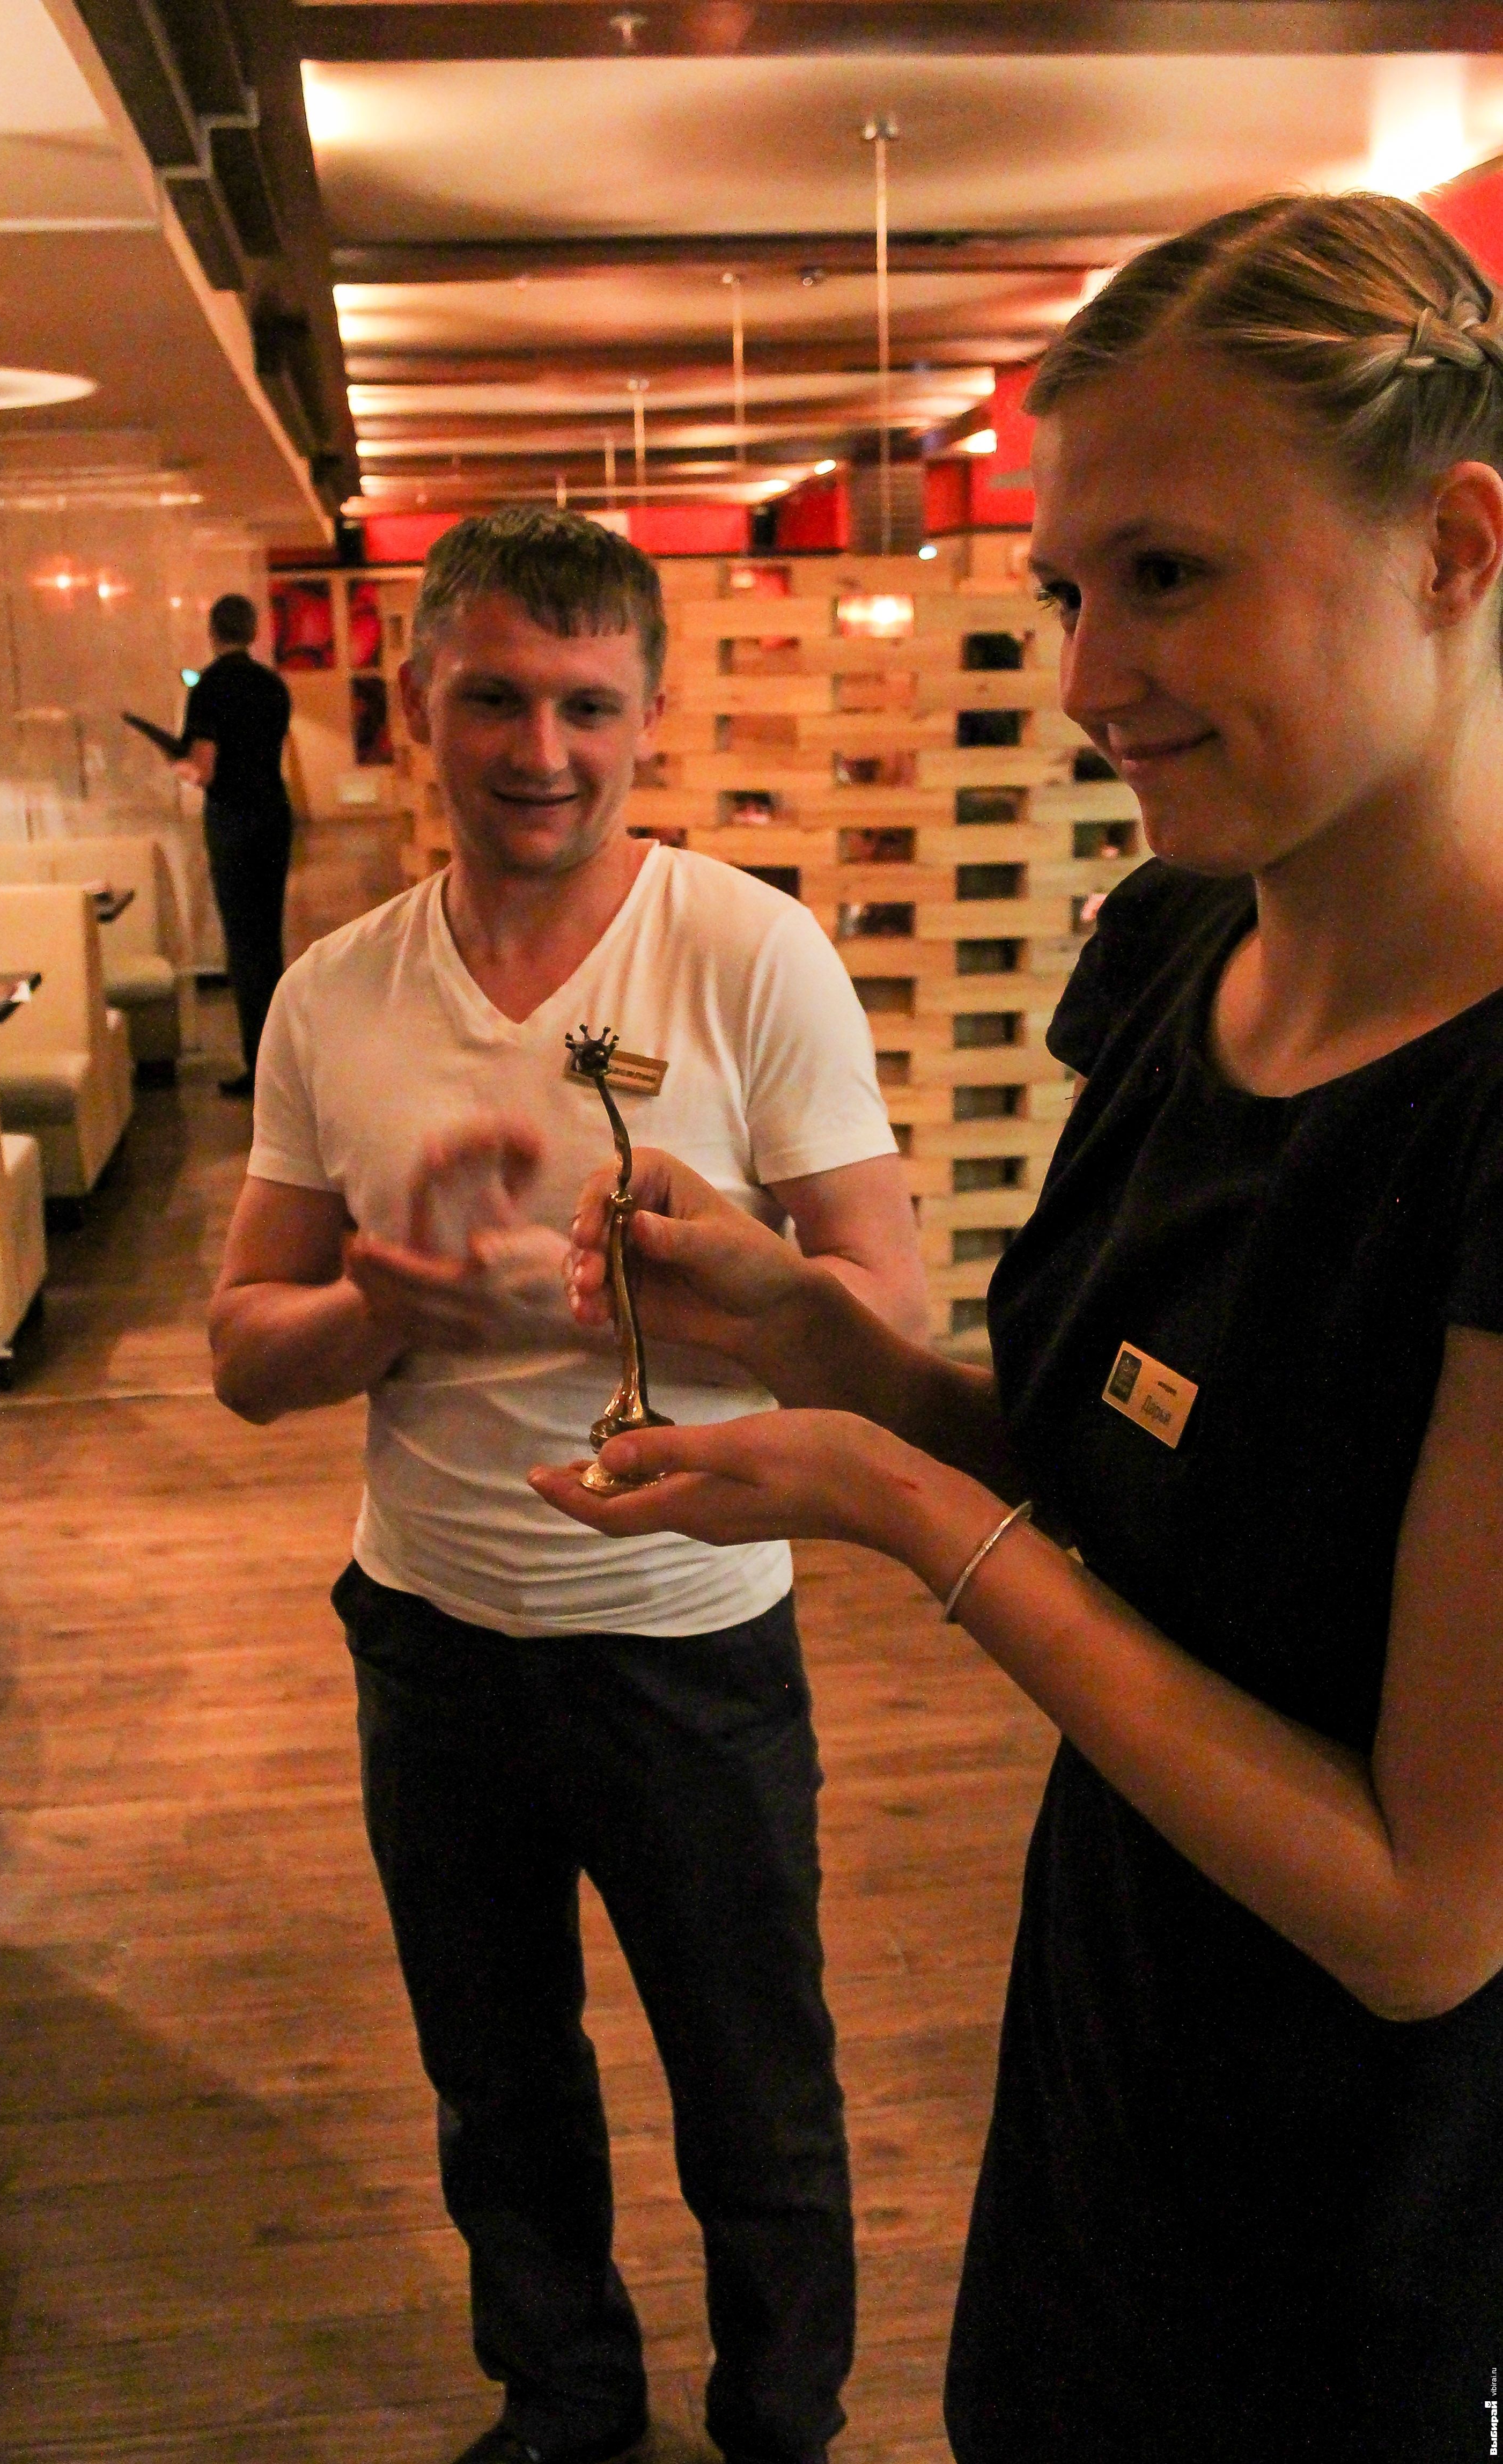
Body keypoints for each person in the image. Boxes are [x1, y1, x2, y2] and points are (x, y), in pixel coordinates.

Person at [533, 195, 1503, 2461]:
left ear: (1453, 549)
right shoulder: (1178, 945)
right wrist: (826, 1345)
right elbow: (1140, 1485)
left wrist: (892, 1501)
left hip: (1368, 2237)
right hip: (1112, 2084)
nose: (1084, 678)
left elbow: (1421, 1909)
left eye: (1166, 574)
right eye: (1069, 590)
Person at [207, 510, 927, 2464]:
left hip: (691, 1641)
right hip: (429, 1636)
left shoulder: (748, 950)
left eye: (589, 705)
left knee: (757, 2092)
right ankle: (567, 2399)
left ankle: (782, 2422)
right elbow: (246, 1354)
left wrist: (680, 1282)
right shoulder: (332, 993)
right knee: (495, 2081)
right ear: (415, 705)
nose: (543, 750)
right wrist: (391, 1303)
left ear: (650, 715)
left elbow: (890, 1319)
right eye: (497, 699)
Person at [178, 591, 293, 1097]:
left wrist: (177, 763)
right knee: (269, 939)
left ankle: (260, 1067)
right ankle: (285, 1060)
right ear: (252, 631)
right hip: (274, 813)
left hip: (232, 819)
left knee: (243, 947)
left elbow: (203, 770)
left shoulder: (208, 687)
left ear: (213, 632)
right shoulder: (273, 685)